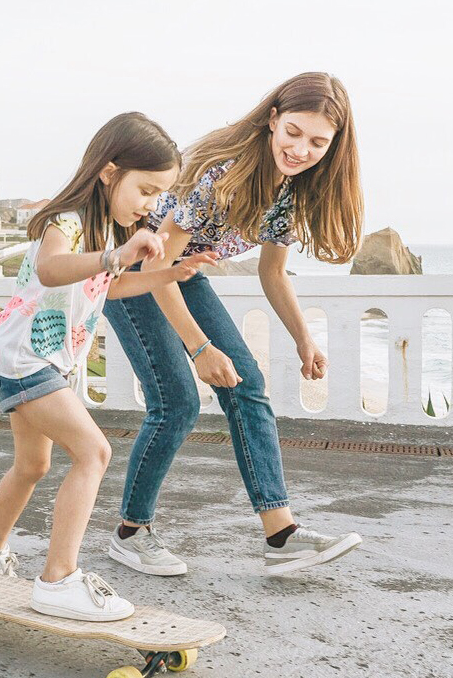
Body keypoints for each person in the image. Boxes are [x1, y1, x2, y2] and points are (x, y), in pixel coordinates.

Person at [103, 72, 364, 577]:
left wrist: (303, 338)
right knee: (175, 401)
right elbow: (156, 271)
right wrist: (200, 350)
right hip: (136, 270)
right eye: (293, 132)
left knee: (248, 387)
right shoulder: (222, 174)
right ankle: (131, 535)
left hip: (180, 272)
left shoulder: (291, 191)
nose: (300, 149)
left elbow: (272, 271)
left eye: (317, 141)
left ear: (333, 146)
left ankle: (281, 535)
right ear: (273, 120)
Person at [0, 112, 216, 621]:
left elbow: (110, 286)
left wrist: (171, 272)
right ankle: (58, 579)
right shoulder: (72, 220)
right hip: (24, 361)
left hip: (27, 360)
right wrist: (115, 254)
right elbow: (55, 269)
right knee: (94, 452)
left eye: (159, 196)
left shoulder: (101, 229)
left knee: (34, 465)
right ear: (108, 171)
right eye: (145, 191)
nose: (151, 205)